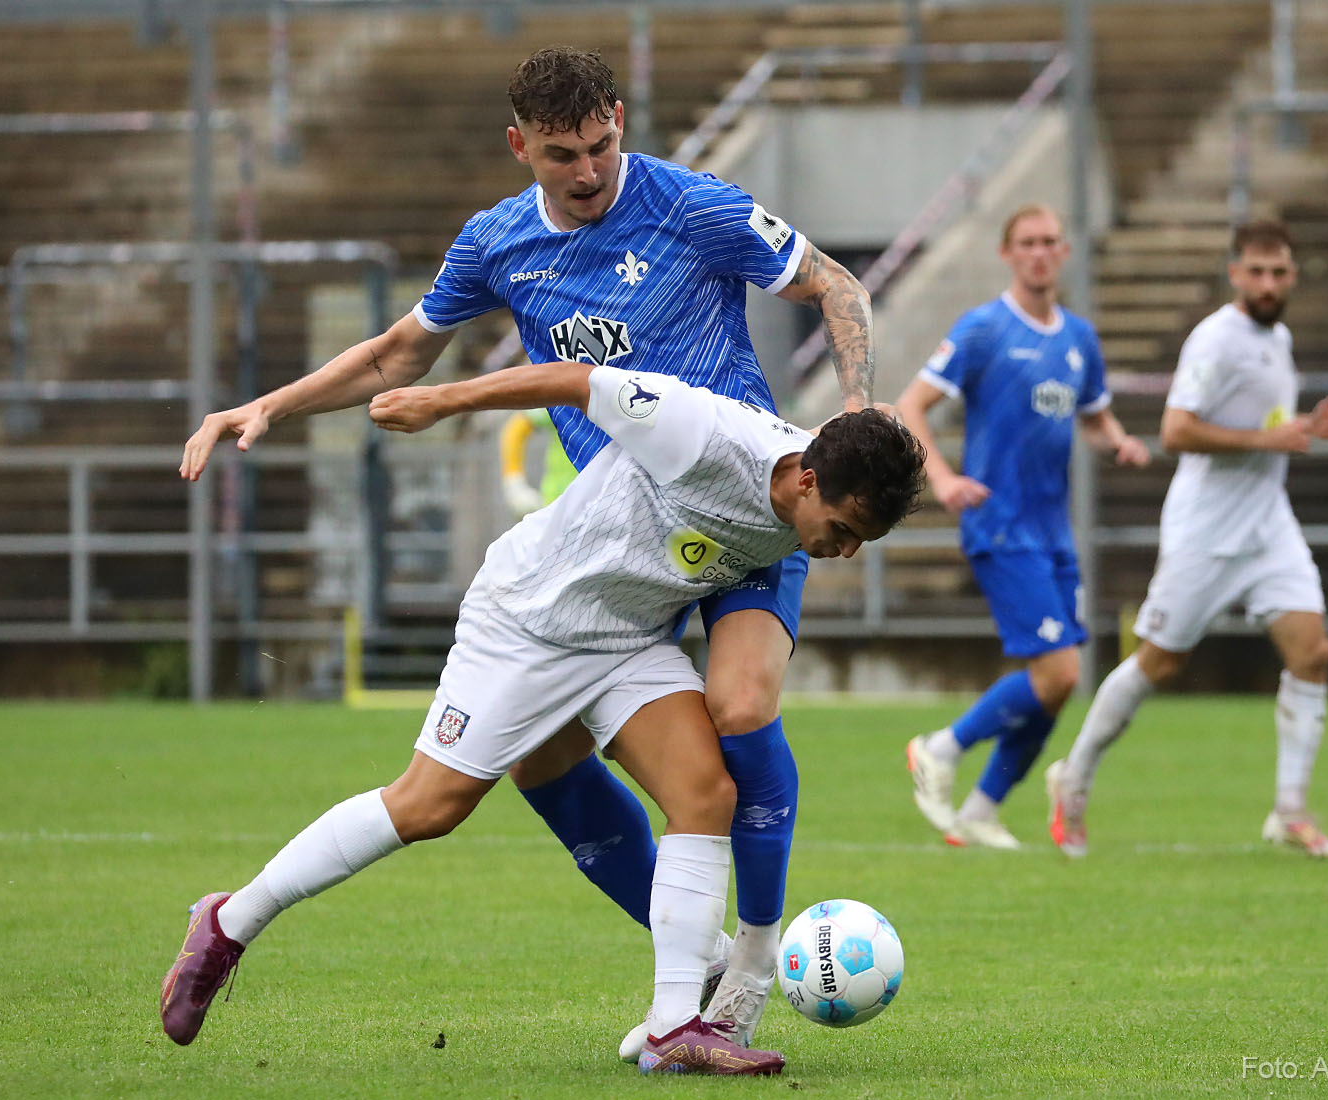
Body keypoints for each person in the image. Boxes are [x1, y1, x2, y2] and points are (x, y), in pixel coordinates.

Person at [179, 46, 878, 1054]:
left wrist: (853, 421)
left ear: (622, 123)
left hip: (745, 513)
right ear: (521, 147)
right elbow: (398, 353)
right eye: (563, 155)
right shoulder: (497, 243)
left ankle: (743, 964)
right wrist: (269, 404)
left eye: (602, 146)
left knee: (735, 712)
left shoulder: (692, 208)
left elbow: (834, 285)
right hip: (605, 556)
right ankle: (688, 980)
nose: (590, 171)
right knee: (512, 776)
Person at [163, 359, 927, 1073]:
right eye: (847, 527)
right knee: (428, 807)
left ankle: (672, 1027)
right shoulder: (703, 432)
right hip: (529, 623)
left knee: (705, 795)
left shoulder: (815, 491)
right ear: (806, 478)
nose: (848, 549)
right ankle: (231, 920)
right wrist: (439, 400)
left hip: (627, 641)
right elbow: (573, 380)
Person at [1045, 219, 1328, 860]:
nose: (1269, 283)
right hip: (1206, 530)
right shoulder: (1215, 339)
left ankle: (1289, 810)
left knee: (1313, 652)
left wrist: (1301, 427)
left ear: (1292, 276)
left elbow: (1259, 422)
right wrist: (1272, 439)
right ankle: (1073, 779)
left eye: (1280, 272)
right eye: (1257, 271)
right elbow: (1177, 430)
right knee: (1161, 661)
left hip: (1268, 524)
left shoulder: (1279, 337)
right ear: (1235, 273)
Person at [894, 204, 1149, 849]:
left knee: (1057, 686)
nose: (1039, 253)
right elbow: (910, 406)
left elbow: (1093, 417)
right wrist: (944, 480)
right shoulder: (983, 330)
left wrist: (1118, 441)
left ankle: (982, 810)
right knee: (1058, 674)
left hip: (1053, 533)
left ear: (1064, 254)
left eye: (1050, 243)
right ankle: (939, 747)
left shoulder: (1079, 339)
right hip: (1000, 526)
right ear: (1007, 254)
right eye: (1027, 243)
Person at [499, 407, 577, 516]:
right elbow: (518, 427)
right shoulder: (569, 398)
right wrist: (514, 482)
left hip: (600, 502)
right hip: (558, 503)